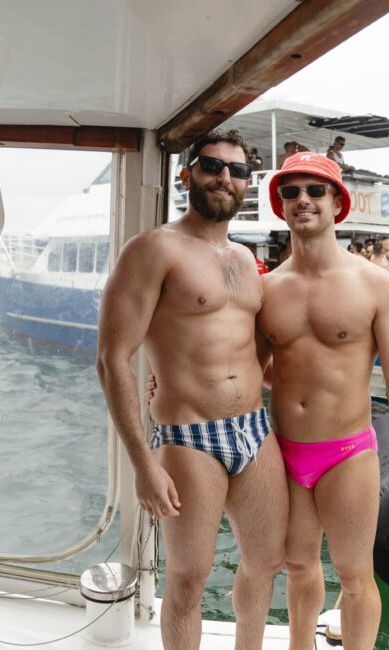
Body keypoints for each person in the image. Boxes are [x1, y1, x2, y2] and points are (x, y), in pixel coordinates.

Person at [96, 129, 288, 650]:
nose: (225, 177)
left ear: (247, 184)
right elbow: (112, 359)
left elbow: (256, 348)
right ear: (187, 175)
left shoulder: (248, 261)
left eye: (237, 170)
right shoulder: (154, 249)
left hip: (254, 427)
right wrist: (143, 465)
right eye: (212, 166)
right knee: (188, 580)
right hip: (188, 437)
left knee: (267, 562)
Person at [261, 152, 389, 649]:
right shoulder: (266, 289)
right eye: (291, 192)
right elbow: (249, 369)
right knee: (298, 566)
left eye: (315, 191)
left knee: (355, 575)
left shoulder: (377, 286)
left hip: (347, 452)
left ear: (338, 204)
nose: (303, 201)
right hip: (284, 450)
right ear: (280, 205)